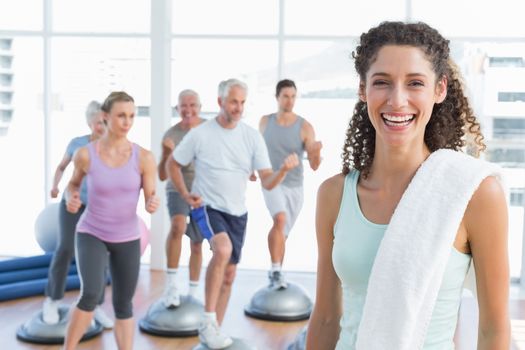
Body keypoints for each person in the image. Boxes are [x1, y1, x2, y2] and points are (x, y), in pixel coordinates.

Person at [306, 21, 509, 349]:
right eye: (382, 82)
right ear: (363, 89)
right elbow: (327, 317)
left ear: (439, 89)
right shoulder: (333, 195)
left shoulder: (474, 193)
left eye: (415, 83)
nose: (397, 100)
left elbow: (493, 329)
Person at [167, 78, 299, 349]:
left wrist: (283, 170)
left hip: (238, 213)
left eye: (241, 102)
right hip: (207, 207)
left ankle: (214, 331)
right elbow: (173, 164)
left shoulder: (251, 136)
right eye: (233, 101)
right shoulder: (201, 134)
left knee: (229, 275)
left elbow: (267, 181)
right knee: (222, 250)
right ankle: (207, 320)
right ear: (220, 102)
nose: (238, 107)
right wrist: (184, 194)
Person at [63, 92, 159, 350]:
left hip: (127, 236)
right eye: (121, 115)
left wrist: (152, 202)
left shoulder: (144, 157)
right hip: (91, 231)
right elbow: (72, 186)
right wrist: (71, 197)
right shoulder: (85, 154)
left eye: (131, 116)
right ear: (106, 117)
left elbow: (151, 195)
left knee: (123, 304)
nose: (127, 121)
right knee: (91, 293)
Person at [43, 101, 113, 328]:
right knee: (64, 248)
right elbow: (62, 167)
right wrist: (54, 186)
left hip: (98, 208)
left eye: (105, 122)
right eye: (99, 123)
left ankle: (96, 305)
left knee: (100, 254)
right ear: (90, 123)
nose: (103, 127)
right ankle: (52, 300)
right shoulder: (77, 144)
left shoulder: (113, 147)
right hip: (71, 203)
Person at [259, 79, 322, 290]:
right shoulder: (265, 122)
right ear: (277, 97)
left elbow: (314, 166)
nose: (290, 100)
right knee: (280, 219)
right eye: (286, 96)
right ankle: (276, 270)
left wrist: (316, 153)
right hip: (271, 181)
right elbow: (256, 151)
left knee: (282, 232)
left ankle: (276, 273)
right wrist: (251, 169)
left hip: (295, 186)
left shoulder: (305, 126)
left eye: (293, 96)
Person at [158, 89, 205, 307]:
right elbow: (161, 174)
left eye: (192, 105)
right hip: (176, 188)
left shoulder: (210, 130)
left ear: (200, 107)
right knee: (177, 227)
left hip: (203, 190)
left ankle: (194, 291)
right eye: (183, 106)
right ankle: (172, 286)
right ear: (177, 108)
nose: (188, 110)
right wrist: (166, 153)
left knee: (197, 243)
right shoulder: (171, 134)